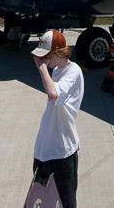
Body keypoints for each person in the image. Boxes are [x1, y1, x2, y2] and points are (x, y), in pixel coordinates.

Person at [31, 30, 84, 208]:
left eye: (46, 56)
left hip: (62, 151)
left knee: (65, 199)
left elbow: (53, 94)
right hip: (45, 147)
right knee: (41, 198)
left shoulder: (74, 71)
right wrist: (46, 67)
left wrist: (42, 67)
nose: (44, 60)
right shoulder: (56, 71)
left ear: (58, 52)